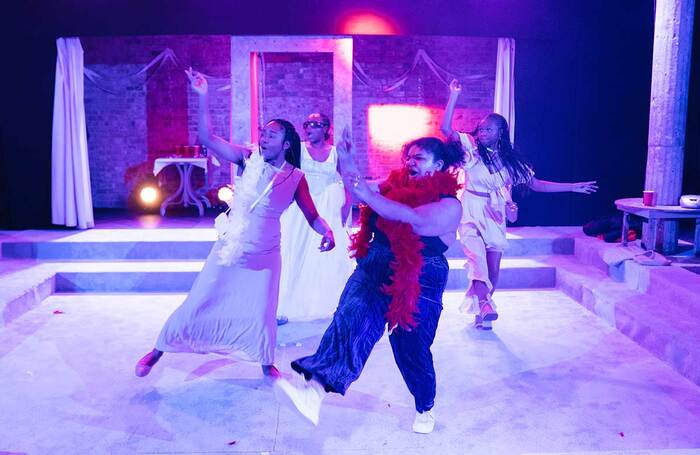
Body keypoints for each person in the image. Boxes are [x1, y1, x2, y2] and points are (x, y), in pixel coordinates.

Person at [134, 69, 335, 379]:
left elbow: (312, 215)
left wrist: (328, 230)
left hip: (267, 253)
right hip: (232, 246)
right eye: (262, 133)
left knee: (262, 310)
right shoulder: (247, 159)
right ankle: (160, 348)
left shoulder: (296, 178)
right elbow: (207, 139)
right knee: (201, 298)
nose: (263, 137)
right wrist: (202, 97)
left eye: (271, 134)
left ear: (286, 144)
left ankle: (266, 362)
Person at [274, 131, 465, 434]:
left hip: (420, 277)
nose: (410, 162)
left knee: (410, 347)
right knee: (352, 319)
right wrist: (348, 160)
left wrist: (367, 194)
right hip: (376, 265)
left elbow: (409, 216)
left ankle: (424, 405)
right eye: (408, 156)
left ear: (439, 164)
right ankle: (314, 392)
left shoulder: (450, 205)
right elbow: (357, 187)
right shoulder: (392, 187)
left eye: (419, 158)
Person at [441, 79, 598, 330]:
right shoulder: (471, 149)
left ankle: (483, 310)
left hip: (495, 213)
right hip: (470, 209)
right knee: (477, 261)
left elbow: (537, 185)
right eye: (480, 129)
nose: (482, 134)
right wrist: (453, 96)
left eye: (488, 130)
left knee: (492, 269)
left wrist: (572, 186)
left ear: (500, 132)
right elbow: (445, 128)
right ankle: (485, 305)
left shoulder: (512, 162)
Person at [277, 113, 354, 322]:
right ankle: (286, 304)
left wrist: (346, 209)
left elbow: (347, 181)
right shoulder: (298, 149)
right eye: (307, 124)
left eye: (315, 124)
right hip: (302, 206)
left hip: (328, 206)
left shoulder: (335, 153)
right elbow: (286, 174)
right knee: (295, 252)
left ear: (326, 128)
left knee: (323, 259)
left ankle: (326, 303)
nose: (309, 128)